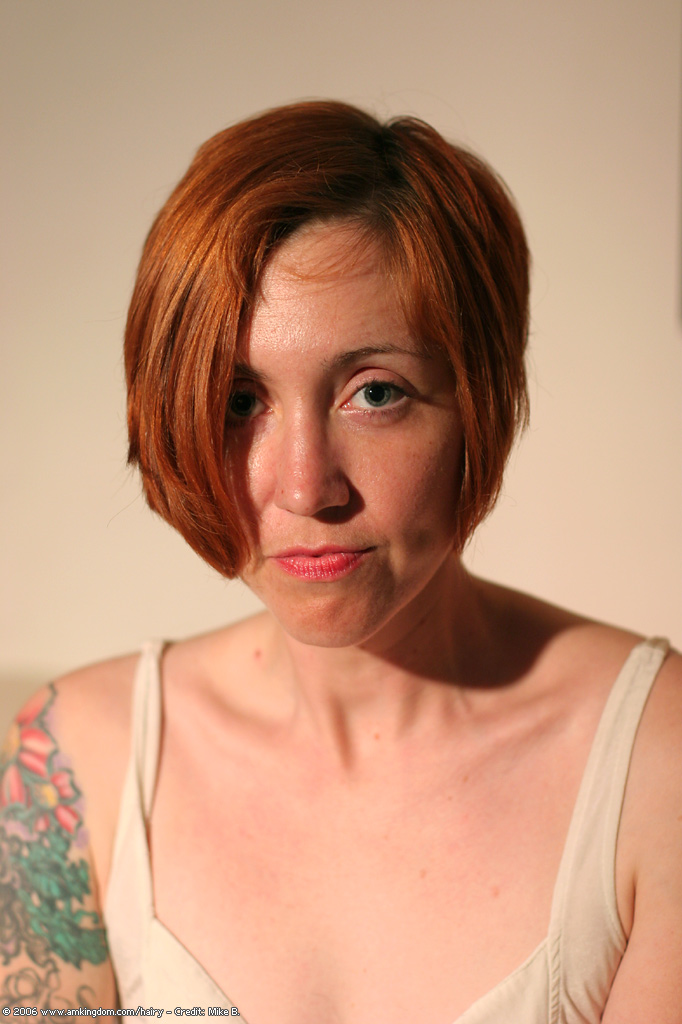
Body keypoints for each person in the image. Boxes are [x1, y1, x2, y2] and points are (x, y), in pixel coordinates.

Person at [1, 101, 680, 1023]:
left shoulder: (657, 762)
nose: (305, 486)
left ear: (479, 401)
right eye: (240, 402)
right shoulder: (75, 760)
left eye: (376, 393)